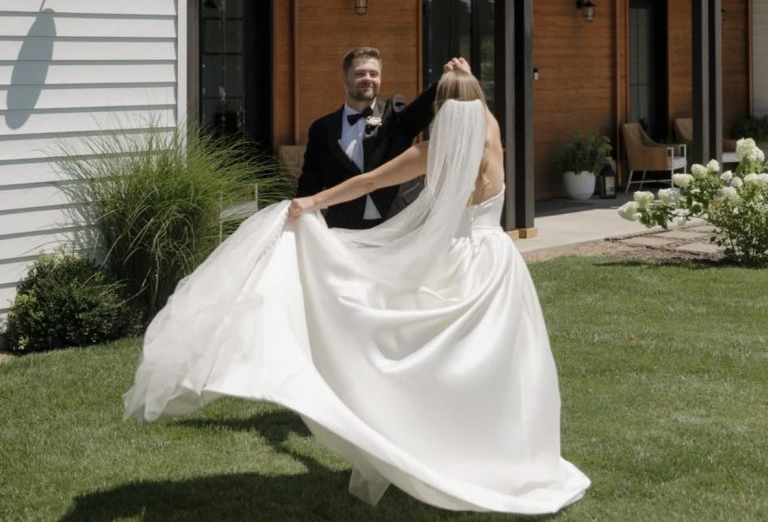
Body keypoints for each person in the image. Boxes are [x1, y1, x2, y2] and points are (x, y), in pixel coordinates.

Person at [124, 69, 590, 515]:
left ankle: (427, 442)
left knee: (427, 358)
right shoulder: (493, 138)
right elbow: (477, 111)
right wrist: (466, 80)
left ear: (441, 110)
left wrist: (313, 201)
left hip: (459, 263)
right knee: (501, 367)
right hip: (500, 263)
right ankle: (509, 459)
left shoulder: (434, 151)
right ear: (477, 103)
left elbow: (368, 181)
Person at [296, 47, 467, 229]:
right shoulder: (322, 129)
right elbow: (309, 182)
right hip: (346, 228)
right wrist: (297, 214)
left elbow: (420, 111)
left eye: (373, 74)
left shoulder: (392, 114)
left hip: (401, 221)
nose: (368, 78)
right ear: (344, 79)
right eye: (360, 73)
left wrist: (445, 81)